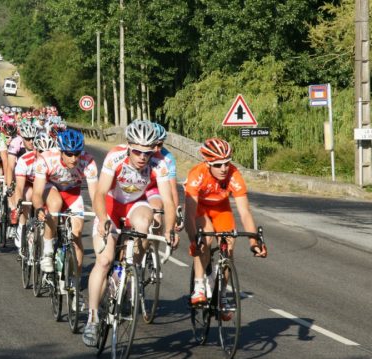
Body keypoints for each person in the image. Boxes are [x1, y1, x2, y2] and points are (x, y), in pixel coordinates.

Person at [82, 120, 177, 346]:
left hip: (135, 204)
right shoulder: (115, 157)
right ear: (128, 146)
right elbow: (100, 192)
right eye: (137, 151)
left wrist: (171, 229)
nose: (143, 157)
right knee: (104, 261)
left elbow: (169, 202)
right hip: (111, 205)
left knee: (145, 222)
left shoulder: (159, 163)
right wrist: (103, 218)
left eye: (148, 151)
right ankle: (93, 318)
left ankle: (130, 268)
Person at [184, 138, 267, 310]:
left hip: (222, 209)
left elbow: (244, 212)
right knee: (205, 239)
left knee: (228, 246)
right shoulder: (197, 175)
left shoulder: (234, 175)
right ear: (208, 164)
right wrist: (194, 241)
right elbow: (190, 214)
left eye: (226, 163)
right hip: (200, 209)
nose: (223, 168)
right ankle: (199, 286)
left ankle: (221, 294)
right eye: (218, 164)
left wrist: (254, 242)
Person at [32, 129, 98, 274]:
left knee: (76, 234)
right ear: (61, 151)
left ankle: (75, 280)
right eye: (69, 154)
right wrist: (39, 208)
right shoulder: (46, 158)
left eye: (77, 153)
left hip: (72, 194)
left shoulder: (88, 161)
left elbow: (95, 196)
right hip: (51, 188)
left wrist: (100, 215)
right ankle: (48, 251)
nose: (74, 158)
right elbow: (36, 192)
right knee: (55, 204)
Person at [12, 132, 56, 251]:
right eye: (41, 151)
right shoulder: (25, 160)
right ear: (35, 150)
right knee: (28, 195)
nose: (45, 155)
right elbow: (19, 187)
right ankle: (22, 227)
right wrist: (19, 203)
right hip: (28, 184)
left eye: (48, 152)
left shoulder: (54, 161)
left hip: (45, 185)